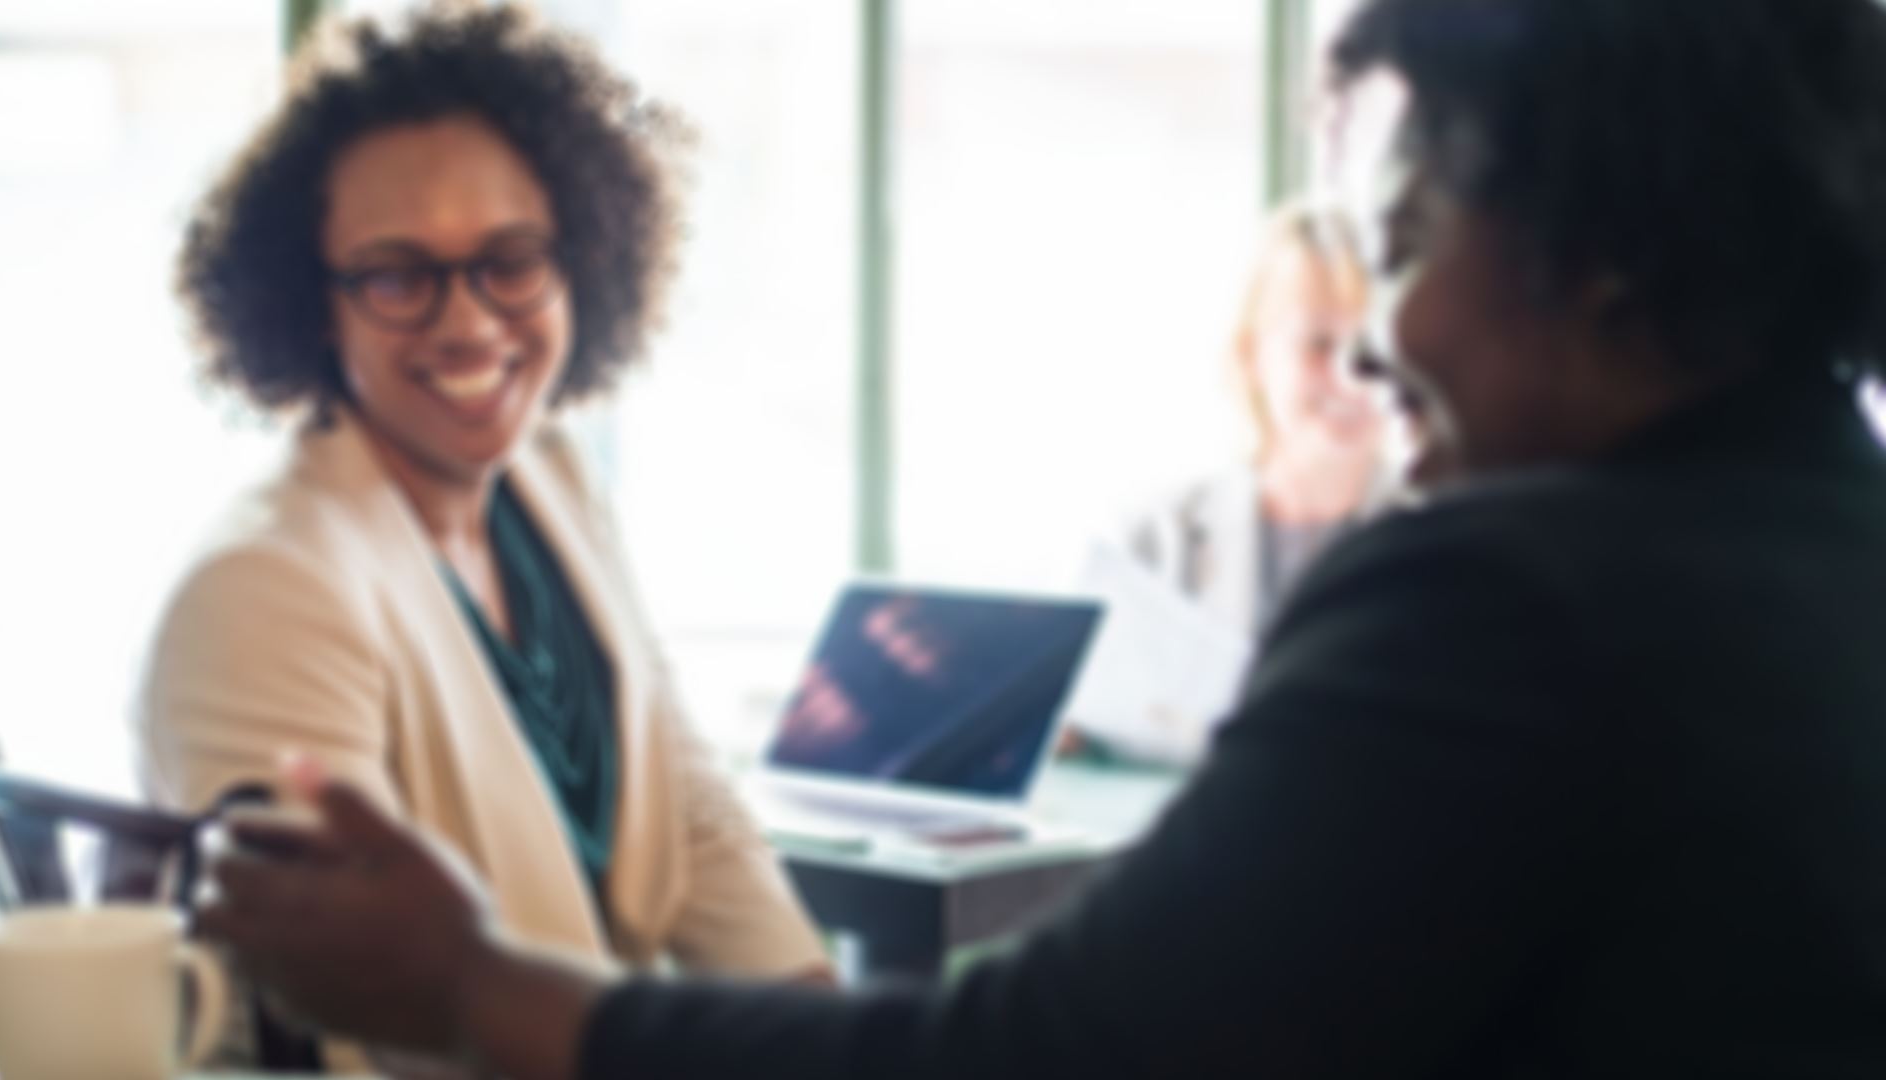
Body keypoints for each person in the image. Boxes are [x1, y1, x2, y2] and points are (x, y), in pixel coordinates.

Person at [198, 0, 1886, 1075]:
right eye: (397, 273)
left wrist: (489, 988)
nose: (1375, 336)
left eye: (1415, 236)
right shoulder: (1828, 541)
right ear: (310, 299)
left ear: (1607, 249)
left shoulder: (1513, 606)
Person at [136, 3, 827, 1066]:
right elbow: (332, 1019)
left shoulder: (547, 473)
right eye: (398, 275)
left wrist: (829, 1028)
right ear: (318, 307)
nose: (467, 323)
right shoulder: (266, 590)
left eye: (510, 259)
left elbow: (685, 805)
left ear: (580, 262)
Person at [1124, 202, 1386, 634]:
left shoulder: (1442, 537)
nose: (1350, 376)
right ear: (1250, 354)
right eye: (1318, 343)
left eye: (1369, 346)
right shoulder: (1156, 541)